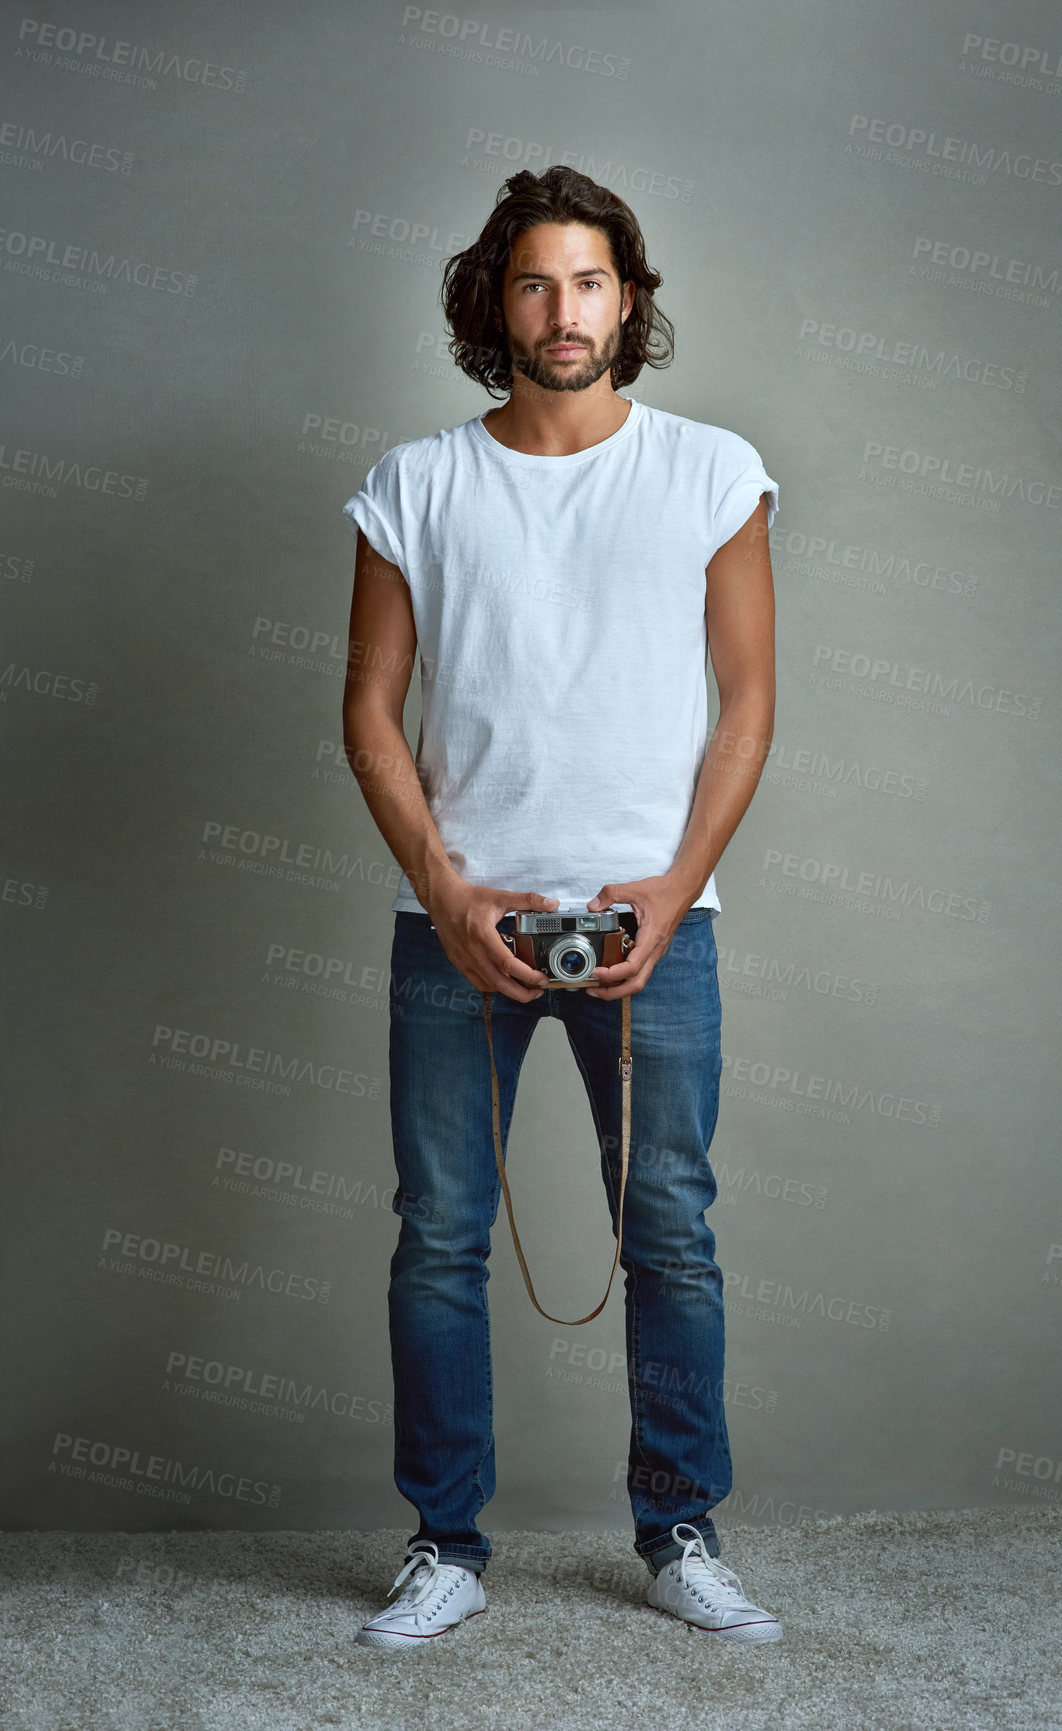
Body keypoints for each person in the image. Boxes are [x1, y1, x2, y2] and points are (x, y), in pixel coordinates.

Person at [340, 166, 781, 1650]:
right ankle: (444, 1546)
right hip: (458, 924)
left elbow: (749, 702)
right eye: (536, 282)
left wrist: (675, 882)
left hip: (657, 922)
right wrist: (445, 890)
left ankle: (681, 1531)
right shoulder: (415, 482)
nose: (565, 309)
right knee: (439, 1235)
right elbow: (370, 711)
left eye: (591, 281)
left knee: (672, 1232)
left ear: (631, 300)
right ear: (494, 303)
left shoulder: (711, 470)